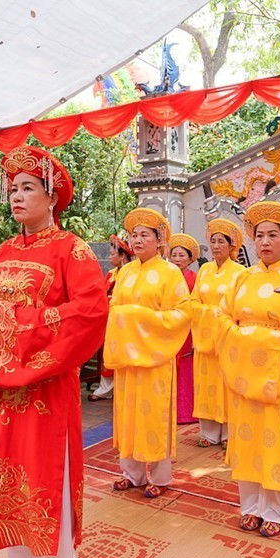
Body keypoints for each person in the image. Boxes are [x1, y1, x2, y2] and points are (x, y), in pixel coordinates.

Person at [0, 146, 108, 558]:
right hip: (6, 394)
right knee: (7, 480)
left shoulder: (72, 249)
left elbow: (89, 312)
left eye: (28, 187)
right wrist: (11, 324)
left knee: (47, 481)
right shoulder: (1, 253)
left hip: (46, 388)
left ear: (52, 196)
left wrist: (18, 327)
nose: (17, 196)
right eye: (12, 189)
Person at [215, 201, 280, 539]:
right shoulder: (243, 277)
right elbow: (223, 316)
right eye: (260, 235)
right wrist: (241, 340)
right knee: (246, 441)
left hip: (276, 373)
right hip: (243, 370)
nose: (265, 242)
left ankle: (276, 511)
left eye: (272, 235)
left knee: (273, 441)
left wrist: (270, 342)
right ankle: (250, 508)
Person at [105, 207, 191, 499]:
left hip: (155, 357)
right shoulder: (126, 272)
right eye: (134, 235)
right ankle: (133, 473)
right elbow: (114, 308)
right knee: (128, 414)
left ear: (159, 240)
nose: (138, 240)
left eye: (144, 235)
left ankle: (161, 476)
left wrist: (134, 316)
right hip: (128, 357)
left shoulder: (170, 272)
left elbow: (182, 313)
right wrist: (124, 316)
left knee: (154, 415)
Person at [190, 218, 245, 448]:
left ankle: (228, 433)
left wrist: (219, 315)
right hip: (205, 339)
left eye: (221, 241)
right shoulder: (204, 270)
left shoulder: (240, 272)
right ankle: (209, 432)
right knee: (206, 384)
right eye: (213, 241)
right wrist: (210, 312)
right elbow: (193, 302)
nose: (215, 246)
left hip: (226, 337)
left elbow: (240, 305)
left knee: (226, 383)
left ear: (232, 245)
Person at [88, 234, 131, 401]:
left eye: (113, 254)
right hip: (110, 317)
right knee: (108, 353)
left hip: (126, 319)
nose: (109, 257)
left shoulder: (131, 273)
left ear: (122, 256)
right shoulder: (111, 274)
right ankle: (106, 389)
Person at [168, 232, 199, 425]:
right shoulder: (167, 276)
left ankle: (186, 411)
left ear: (190, 258)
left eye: (182, 255)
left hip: (187, 328)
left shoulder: (194, 278)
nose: (177, 259)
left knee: (186, 368)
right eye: (174, 255)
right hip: (169, 326)